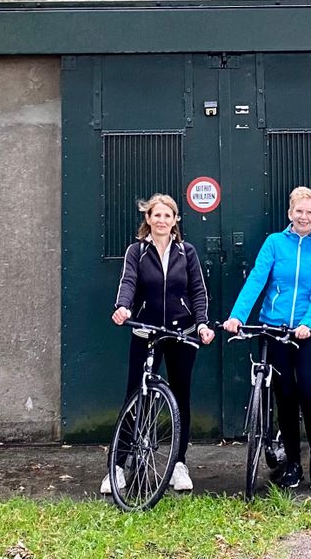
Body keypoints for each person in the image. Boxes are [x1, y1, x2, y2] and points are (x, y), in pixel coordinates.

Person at [101, 193, 215, 495]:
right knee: (135, 397)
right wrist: (123, 307)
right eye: (157, 215)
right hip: (146, 332)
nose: (162, 221)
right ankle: (118, 466)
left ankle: (178, 464)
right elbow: (128, 282)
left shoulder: (186, 252)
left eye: (167, 215)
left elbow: (198, 290)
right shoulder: (136, 251)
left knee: (180, 398)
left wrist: (202, 323)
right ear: (148, 219)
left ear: (175, 220)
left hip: (181, 334)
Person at [223, 186, 311, 489]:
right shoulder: (274, 243)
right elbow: (257, 279)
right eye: (299, 211)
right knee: (284, 396)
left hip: (308, 332)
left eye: (309, 212)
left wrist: (308, 323)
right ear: (290, 213)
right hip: (274, 330)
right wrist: (237, 316)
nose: (303, 216)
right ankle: (293, 464)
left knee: (309, 395)